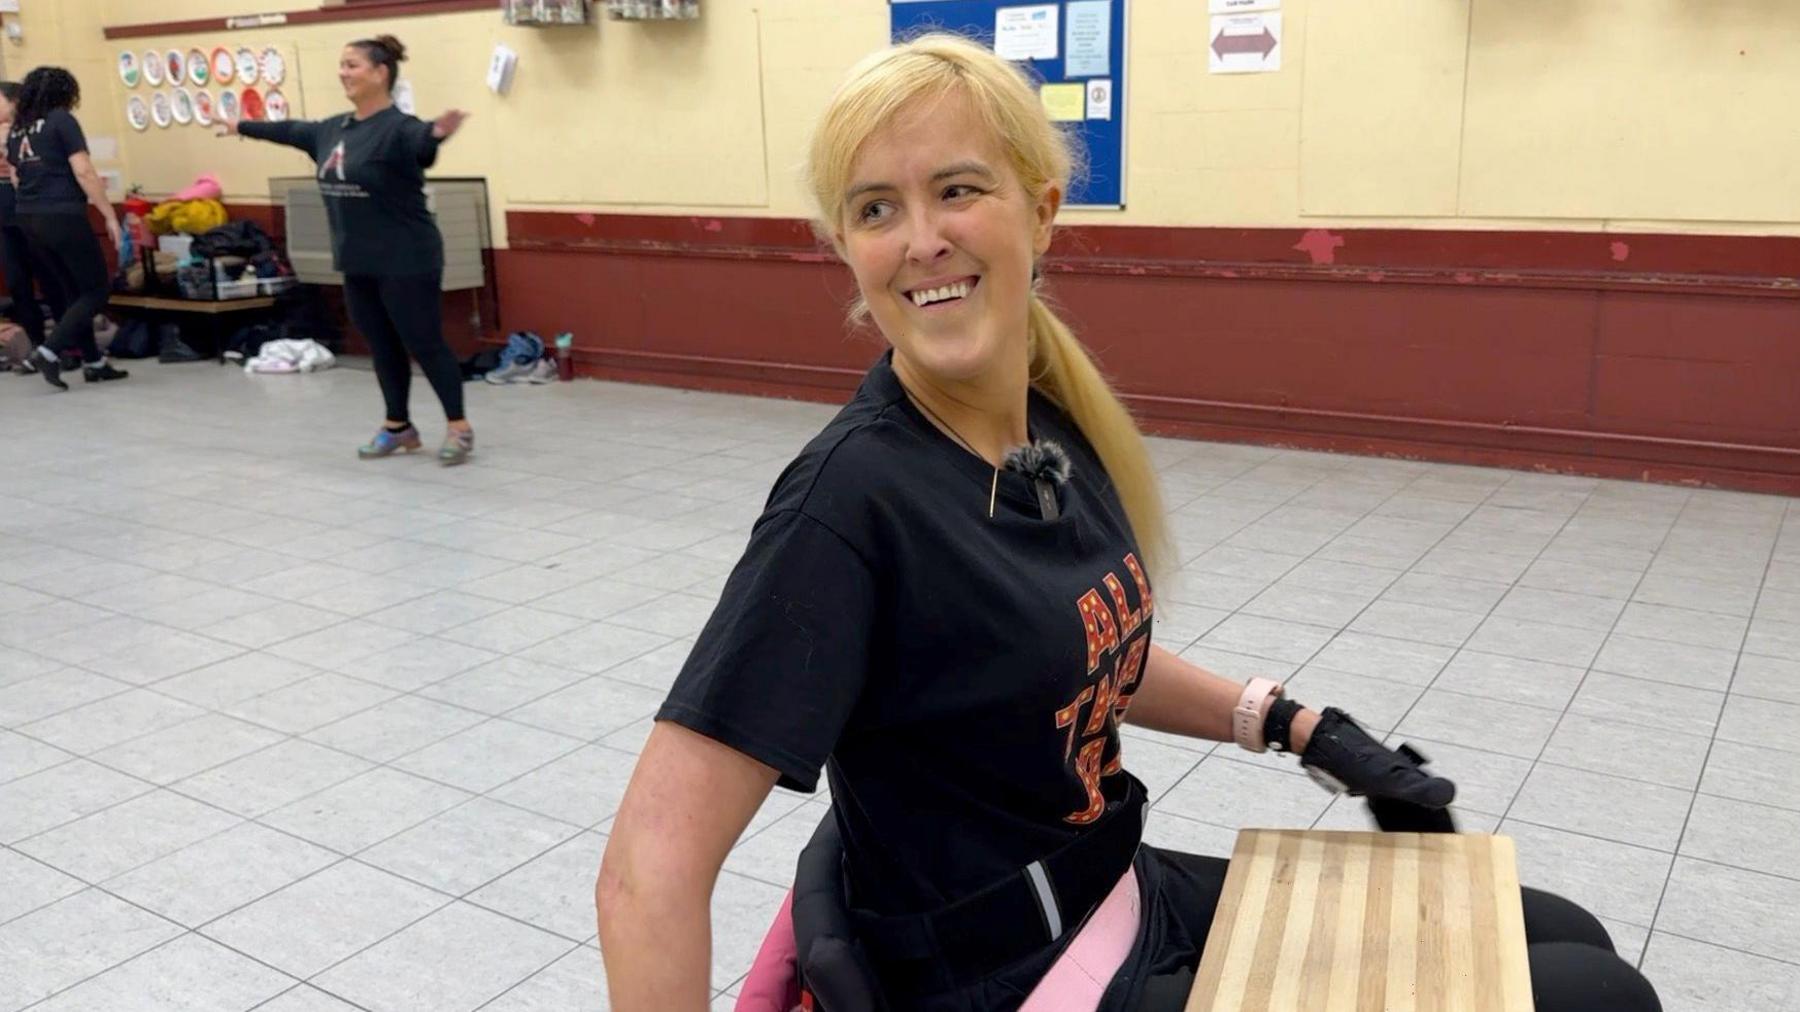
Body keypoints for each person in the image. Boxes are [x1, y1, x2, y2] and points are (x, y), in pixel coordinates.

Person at [595, 34, 1662, 1012]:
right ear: (847, 247)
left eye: (956, 189)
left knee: (1561, 934)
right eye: (875, 208)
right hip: (1021, 978)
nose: (921, 239)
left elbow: (1069, 647)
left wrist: (1295, 723)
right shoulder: (849, 502)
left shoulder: (1044, 428)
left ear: (1041, 208)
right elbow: (648, 870)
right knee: (1596, 998)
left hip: (1118, 891)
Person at [218, 34, 475, 465]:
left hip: (407, 258)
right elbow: (289, 130)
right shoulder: (332, 129)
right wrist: (240, 126)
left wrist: (436, 134)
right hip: (358, 259)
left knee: (424, 341)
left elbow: (421, 146)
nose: (343, 72)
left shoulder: (399, 127)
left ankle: (458, 427)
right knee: (381, 343)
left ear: (380, 73)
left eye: (352, 65)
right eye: (341, 65)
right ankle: (398, 426)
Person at [6, 67, 126, 389]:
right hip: (62, 215)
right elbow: (84, 171)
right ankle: (48, 351)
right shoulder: (62, 120)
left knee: (73, 292)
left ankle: (94, 362)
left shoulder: (19, 129)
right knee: (96, 289)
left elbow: (16, 175)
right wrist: (109, 215)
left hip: (28, 216)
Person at [0, 80, 66, 371]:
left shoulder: (32, 130)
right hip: (4, 215)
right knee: (17, 282)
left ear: (14, 102)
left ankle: (63, 346)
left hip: (33, 210)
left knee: (50, 277)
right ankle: (36, 347)